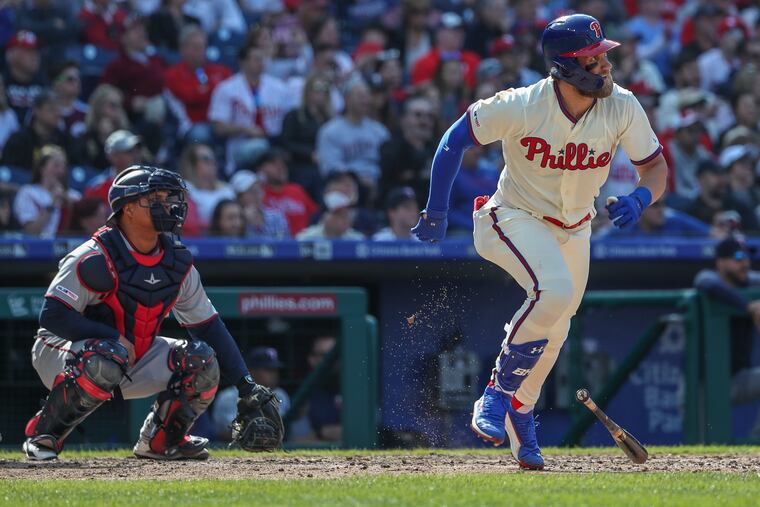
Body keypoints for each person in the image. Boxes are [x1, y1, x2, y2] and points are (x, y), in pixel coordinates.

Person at [411, 14, 668, 469]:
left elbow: (656, 168)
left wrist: (642, 197)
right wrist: (435, 209)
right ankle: (496, 392)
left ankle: (520, 411)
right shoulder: (523, 103)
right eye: (594, 59)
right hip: (512, 217)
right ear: (566, 67)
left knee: (558, 323)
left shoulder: (623, 105)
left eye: (605, 56)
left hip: (575, 228)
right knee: (554, 293)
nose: (605, 66)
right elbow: (454, 140)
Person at [23, 165, 281, 460]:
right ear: (129, 208)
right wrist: (112, 336)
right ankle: (45, 435)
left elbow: (208, 326)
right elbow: (53, 316)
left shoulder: (177, 261)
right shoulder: (93, 256)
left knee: (202, 361)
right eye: (155, 198)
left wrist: (245, 385)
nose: (168, 205)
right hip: (60, 351)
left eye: (169, 197)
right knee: (105, 356)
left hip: (131, 354)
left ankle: (162, 442)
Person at [694, 237, 760, 438]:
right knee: (702, 445)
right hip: (700, 385)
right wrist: (748, 306)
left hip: (736, 379)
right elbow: (705, 282)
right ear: (720, 262)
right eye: (738, 258)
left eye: (747, 258)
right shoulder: (709, 278)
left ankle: (756, 442)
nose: (745, 263)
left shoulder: (750, 281)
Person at [211, 346, 291, 440]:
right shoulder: (228, 396)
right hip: (233, 447)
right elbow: (227, 432)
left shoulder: (280, 395)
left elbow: (279, 429)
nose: (274, 374)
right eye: (268, 370)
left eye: (275, 370)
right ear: (251, 371)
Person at [296, 190, 364, 240]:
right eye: (339, 215)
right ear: (325, 217)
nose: (345, 218)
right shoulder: (306, 238)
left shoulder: (357, 239)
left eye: (346, 214)